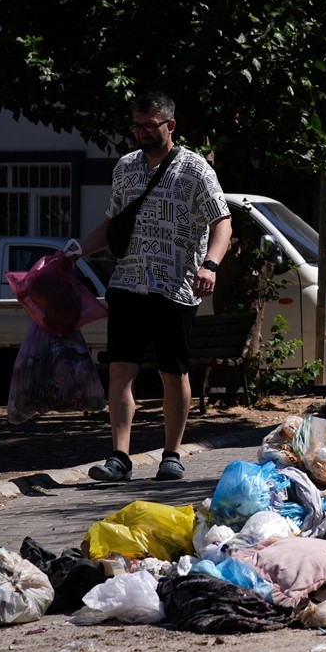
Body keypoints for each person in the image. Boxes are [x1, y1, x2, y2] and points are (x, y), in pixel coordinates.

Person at [67, 91, 232, 482]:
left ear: (169, 125)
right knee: (121, 370)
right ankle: (119, 457)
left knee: (171, 372)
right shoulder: (125, 168)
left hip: (175, 286)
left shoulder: (196, 170)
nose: (141, 132)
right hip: (128, 282)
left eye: (149, 125)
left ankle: (171, 454)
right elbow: (113, 225)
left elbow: (222, 221)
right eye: (136, 126)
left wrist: (210, 264)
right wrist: (76, 250)